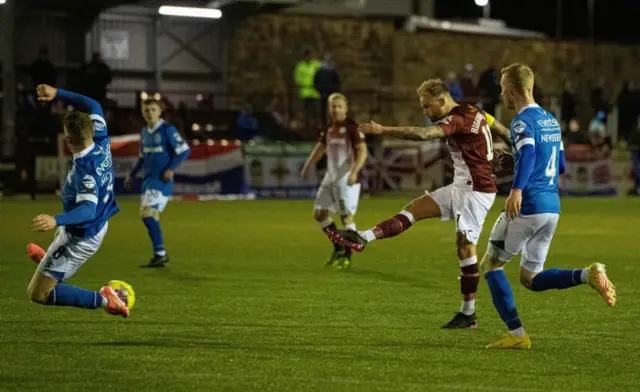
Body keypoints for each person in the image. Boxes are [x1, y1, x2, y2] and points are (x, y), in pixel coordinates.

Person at [327, 79, 511, 328]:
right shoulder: (475, 110)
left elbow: (424, 134)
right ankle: (362, 237)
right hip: (460, 186)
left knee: (465, 249)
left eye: (427, 107)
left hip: (475, 192)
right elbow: (498, 126)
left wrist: (383, 130)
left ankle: (468, 313)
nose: (426, 113)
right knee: (414, 209)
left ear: (442, 101)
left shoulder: (457, 119)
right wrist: (512, 143)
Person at [480, 63, 616, 350]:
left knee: (491, 265)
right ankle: (586, 274)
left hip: (527, 205)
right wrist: (516, 159)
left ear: (514, 91)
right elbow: (561, 165)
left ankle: (517, 336)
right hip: (551, 208)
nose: (502, 94)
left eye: (504, 89)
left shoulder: (521, 121)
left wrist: (516, 189)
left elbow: (529, 152)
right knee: (530, 278)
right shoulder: (550, 120)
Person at [25, 84, 128, 318]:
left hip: (80, 236)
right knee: (49, 267)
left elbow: (87, 210)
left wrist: (55, 219)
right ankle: (48, 263)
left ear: (68, 141)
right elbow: (93, 104)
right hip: (93, 226)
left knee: (38, 294)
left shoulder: (85, 171)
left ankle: (106, 299)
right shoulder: (100, 138)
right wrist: (57, 93)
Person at [300, 93, 367, 268]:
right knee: (319, 214)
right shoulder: (329, 127)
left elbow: (362, 151)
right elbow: (321, 147)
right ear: (329, 108)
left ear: (346, 108)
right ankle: (338, 246)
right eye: (333, 106)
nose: (336, 109)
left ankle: (347, 255)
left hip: (346, 179)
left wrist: (354, 172)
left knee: (346, 217)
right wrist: (308, 166)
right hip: (330, 177)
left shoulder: (352, 127)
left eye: (339, 106)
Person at [125, 99, 191, 268]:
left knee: (146, 214)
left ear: (160, 112)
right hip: (148, 180)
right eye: (146, 110)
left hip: (161, 180)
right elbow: (142, 157)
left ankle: (161, 253)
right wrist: (131, 175)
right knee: (151, 216)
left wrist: (171, 169)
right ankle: (159, 255)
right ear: (142, 112)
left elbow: (184, 151)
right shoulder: (145, 132)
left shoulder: (167, 130)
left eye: (153, 110)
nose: (150, 113)